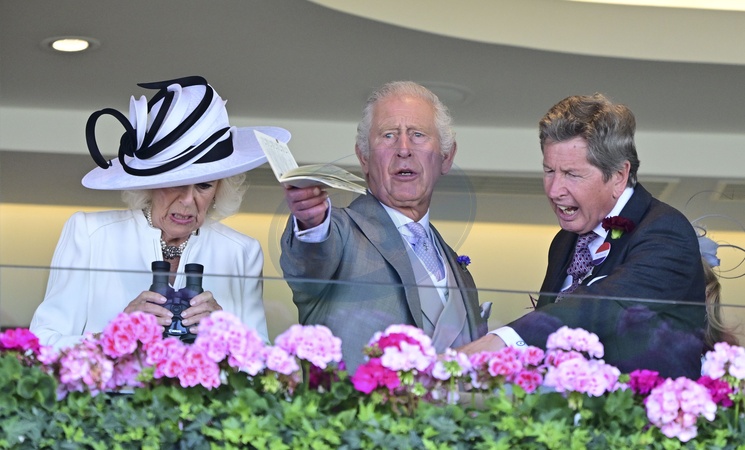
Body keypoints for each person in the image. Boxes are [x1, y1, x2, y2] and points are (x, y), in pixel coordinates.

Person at [30, 76, 290, 349]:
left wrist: (227, 334)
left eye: (204, 186)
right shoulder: (90, 233)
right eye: (176, 183)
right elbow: (43, 344)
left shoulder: (241, 252)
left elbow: (261, 359)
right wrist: (114, 335)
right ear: (150, 184)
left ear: (219, 190)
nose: (188, 201)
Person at [459, 93, 707, 379]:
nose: (554, 190)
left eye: (572, 174)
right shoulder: (564, 241)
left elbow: (605, 305)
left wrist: (501, 342)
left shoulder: (666, 231)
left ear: (619, 175)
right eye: (549, 171)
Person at [279, 81, 488, 372]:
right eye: (389, 135)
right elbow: (311, 258)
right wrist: (311, 222)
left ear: (446, 156)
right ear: (364, 157)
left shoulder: (455, 266)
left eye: (418, 135)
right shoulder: (340, 232)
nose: (403, 149)